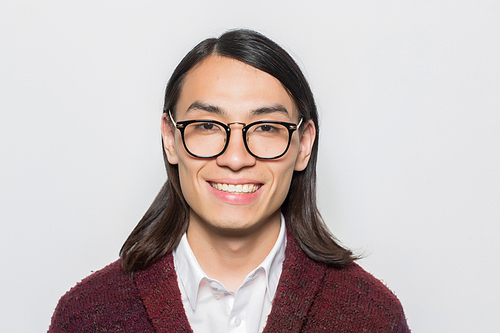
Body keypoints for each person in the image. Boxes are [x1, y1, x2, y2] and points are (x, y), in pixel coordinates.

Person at [49, 29, 410, 332]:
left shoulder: (371, 317)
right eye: (206, 125)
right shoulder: (86, 315)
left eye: (267, 127)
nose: (236, 158)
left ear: (304, 145)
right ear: (170, 139)